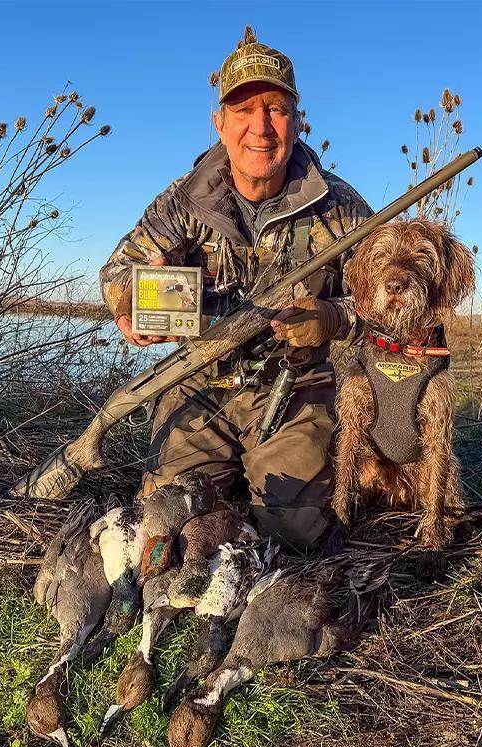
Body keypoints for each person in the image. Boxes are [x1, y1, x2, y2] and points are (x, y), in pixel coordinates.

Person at [99, 28, 372, 552]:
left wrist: (334, 319)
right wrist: (131, 301)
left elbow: (396, 307)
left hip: (295, 390)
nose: (261, 127)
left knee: (292, 536)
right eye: (243, 110)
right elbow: (117, 270)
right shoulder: (182, 200)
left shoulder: (341, 207)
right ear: (220, 123)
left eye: (275, 108)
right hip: (198, 385)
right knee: (165, 522)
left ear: (296, 120)